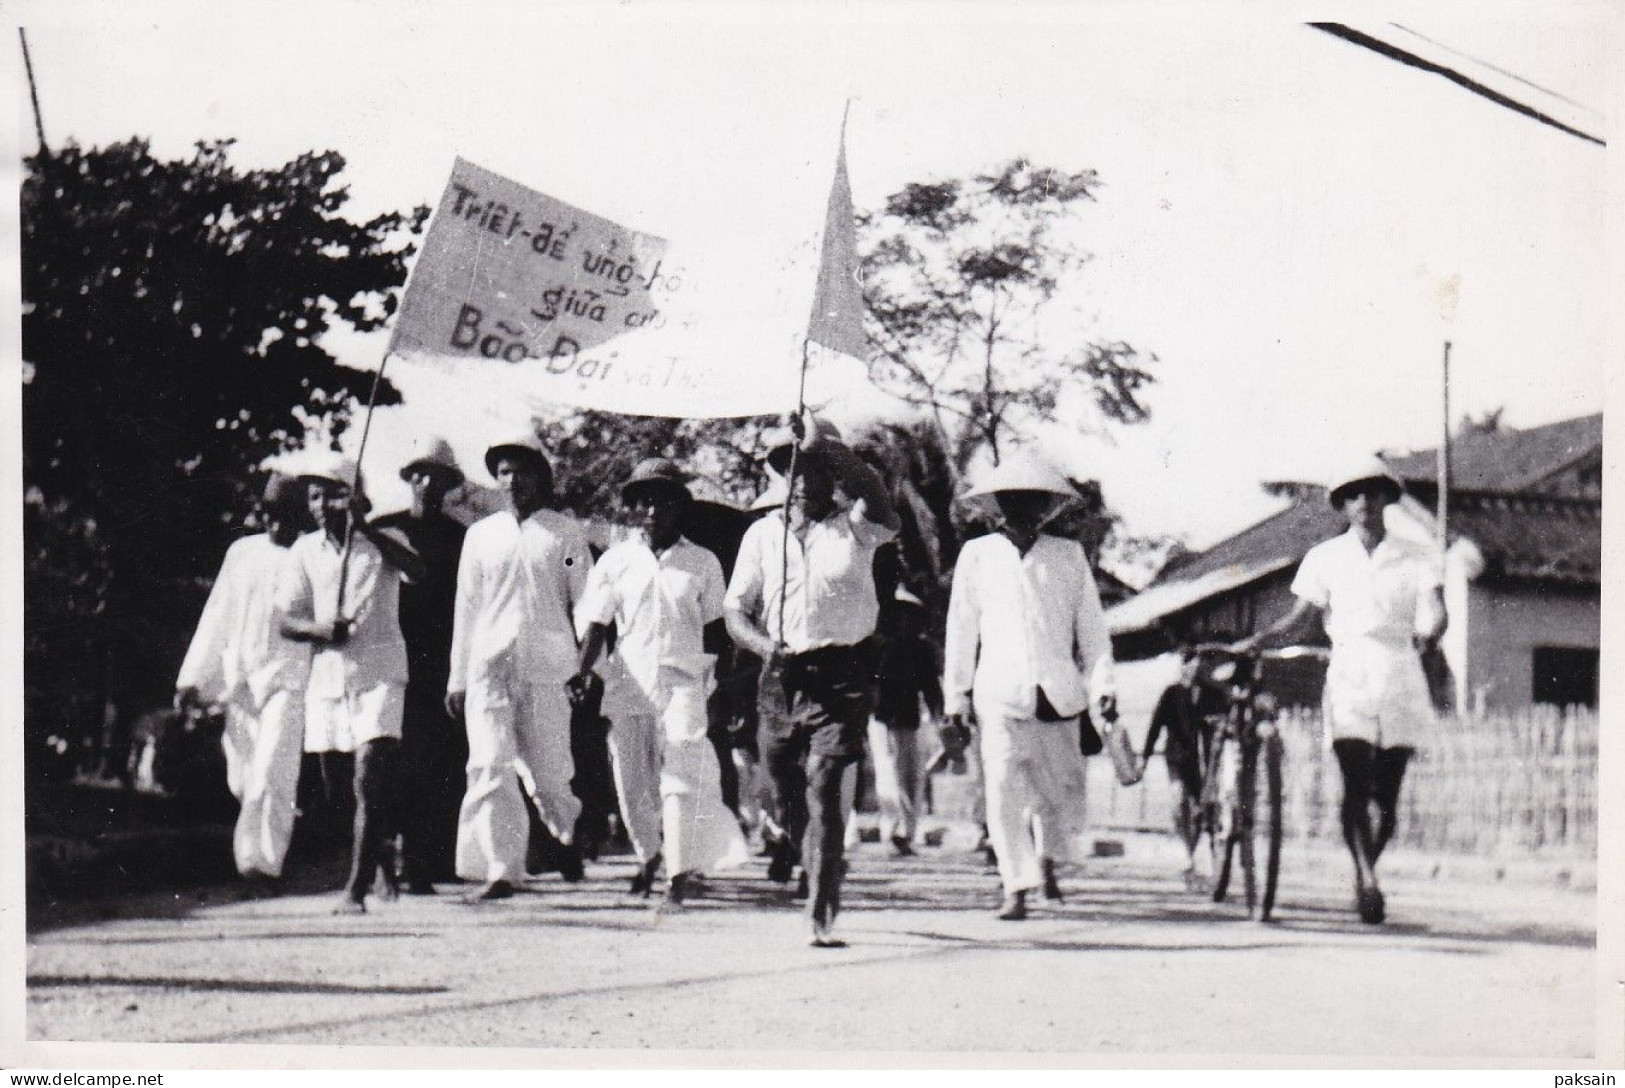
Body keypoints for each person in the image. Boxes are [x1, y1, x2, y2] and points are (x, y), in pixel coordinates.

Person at [1236, 456, 1445, 925]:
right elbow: (1301, 619)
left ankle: (1366, 867)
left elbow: (1437, 610)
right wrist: (1262, 639)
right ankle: (1368, 879)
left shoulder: (1416, 556)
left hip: (1400, 672)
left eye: (1374, 493)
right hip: (1350, 671)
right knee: (1355, 782)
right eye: (1355, 495)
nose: (1365, 503)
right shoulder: (1326, 558)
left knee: (1387, 800)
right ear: (1343, 505)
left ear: (1388, 499)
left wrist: (1430, 633)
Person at [724, 412, 900, 947]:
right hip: (780, 676)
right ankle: (816, 856)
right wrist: (761, 646)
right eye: (791, 465)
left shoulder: (858, 526)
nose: (802, 475)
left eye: (815, 466)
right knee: (783, 792)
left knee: (825, 782)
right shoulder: (760, 535)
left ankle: (821, 909)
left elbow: (879, 497)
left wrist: (827, 446)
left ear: (833, 474)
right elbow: (736, 611)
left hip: (842, 674)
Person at [942, 454, 1116, 921]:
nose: (1021, 508)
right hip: (998, 690)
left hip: (1058, 690)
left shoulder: (1068, 555)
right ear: (998, 504)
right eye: (1012, 500)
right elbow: (961, 630)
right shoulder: (977, 554)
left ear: (1046, 507)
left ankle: (1046, 860)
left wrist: (1103, 685)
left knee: (1054, 791)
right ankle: (1016, 884)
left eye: (1032, 500)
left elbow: (1093, 630)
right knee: (1001, 789)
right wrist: (954, 698)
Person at [571, 458, 751, 906]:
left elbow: (716, 631)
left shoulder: (702, 561)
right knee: (631, 782)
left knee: (680, 776)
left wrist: (723, 687)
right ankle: (649, 855)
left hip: (685, 681)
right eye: (644, 501)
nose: (653, 511)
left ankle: (679, 871)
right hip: (628, 680)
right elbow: (597, 623)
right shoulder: (615, 561)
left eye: (664, 501)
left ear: (679, 506)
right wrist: (582, 669)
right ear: (633, 507)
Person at [446, 432, 592, 903]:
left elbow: (585, 602)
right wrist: (458, 677)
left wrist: (587, 667)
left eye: (523, 471)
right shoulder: (480, 536)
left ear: (541, 478)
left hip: (550, 669)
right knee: (489, 764)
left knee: (550, 777)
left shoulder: (565, 534)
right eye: (504, 472)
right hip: (489, 668)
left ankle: (564, 834)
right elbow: (466, 610)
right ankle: (502, 869)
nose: (513, 482)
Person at [279, 453, 425, 914]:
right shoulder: (304, 551)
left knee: (369, 776)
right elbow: (286, 618)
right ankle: (378, 852)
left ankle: (354, 891)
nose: (322, 505)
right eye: (315, 496)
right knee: (337, 787)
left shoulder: (384, 540)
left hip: (379, 675)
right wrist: (321, 630)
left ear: (356, 498)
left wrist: (369, 528)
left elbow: (418, 572)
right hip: (328, 678)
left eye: (332, 494)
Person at [175, 474, 312, 883]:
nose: (277, 524)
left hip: (289, 677)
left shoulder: (309, 555)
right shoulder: (242, 553)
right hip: (241, 678)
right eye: (270, 514)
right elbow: (217, 615)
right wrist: (192, 679)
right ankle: (264, 842)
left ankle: (260, 865)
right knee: (243, 774)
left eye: (287, 515)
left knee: (274, 766)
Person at [371, 437, 468, 895]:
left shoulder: (462, 536)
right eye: (421, 474)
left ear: (449, 485)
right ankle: (387, 856)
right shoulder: (384, 528)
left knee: (440, 761)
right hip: (390, 654)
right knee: (391, 760)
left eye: (439, 477)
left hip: (441, 660)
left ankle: (429, 860)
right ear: (409, 478)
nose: (428, 483)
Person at [867, 585, 943, 855]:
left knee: (912, 777)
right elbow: (869, 685)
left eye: (909, 614)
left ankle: (908, 831)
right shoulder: (878, 647)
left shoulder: (921, 649)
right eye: (898, 614)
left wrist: (939, 717)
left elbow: (931, 686)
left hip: (909, 720)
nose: (904, 619)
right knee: (889, 775)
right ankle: (895, 830)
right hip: (882, 720)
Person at [1140, 649, 1219, 891]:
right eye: (1191, 665)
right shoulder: (1172, 693)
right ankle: (1187, 852)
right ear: (1184, 666)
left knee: (1198, 811)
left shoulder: (1211, 694)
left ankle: (1191, 857)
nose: (1196, 670)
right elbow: (1155, 724)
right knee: (1178, 803)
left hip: (1202, 762)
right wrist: (1144, 756)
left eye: (1200, 666)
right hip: (1176, 758)